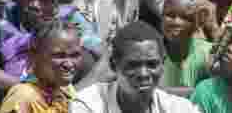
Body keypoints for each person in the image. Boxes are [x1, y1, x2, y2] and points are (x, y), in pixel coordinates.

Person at [71, 21, 200, 113]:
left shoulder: (179, 108)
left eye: (152, 64)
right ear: (113, 65)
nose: (143, 74)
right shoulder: (88, 105)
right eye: (133, 65)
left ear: (162, 64)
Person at [0, 20, 85, 113]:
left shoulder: (66, 91)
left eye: (75, 55)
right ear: (34, 56)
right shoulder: (23, 97)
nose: (69, 64)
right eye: (59, 56)